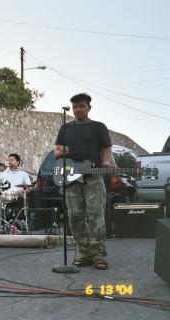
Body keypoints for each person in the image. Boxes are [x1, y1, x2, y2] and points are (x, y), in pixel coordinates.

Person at [54, 93, 113, 270]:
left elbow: (106, 148)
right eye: (75, 107)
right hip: (71, 179)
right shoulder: (65, 129)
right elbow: (56, 152)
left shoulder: (98, 127)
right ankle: (84, 253)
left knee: (96, 215)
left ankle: (99, 255)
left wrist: (106, 162)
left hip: (93, 176)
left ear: (89, 107)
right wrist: (61, 152)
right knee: (75, 217)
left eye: (81, 106)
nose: (78, 109)